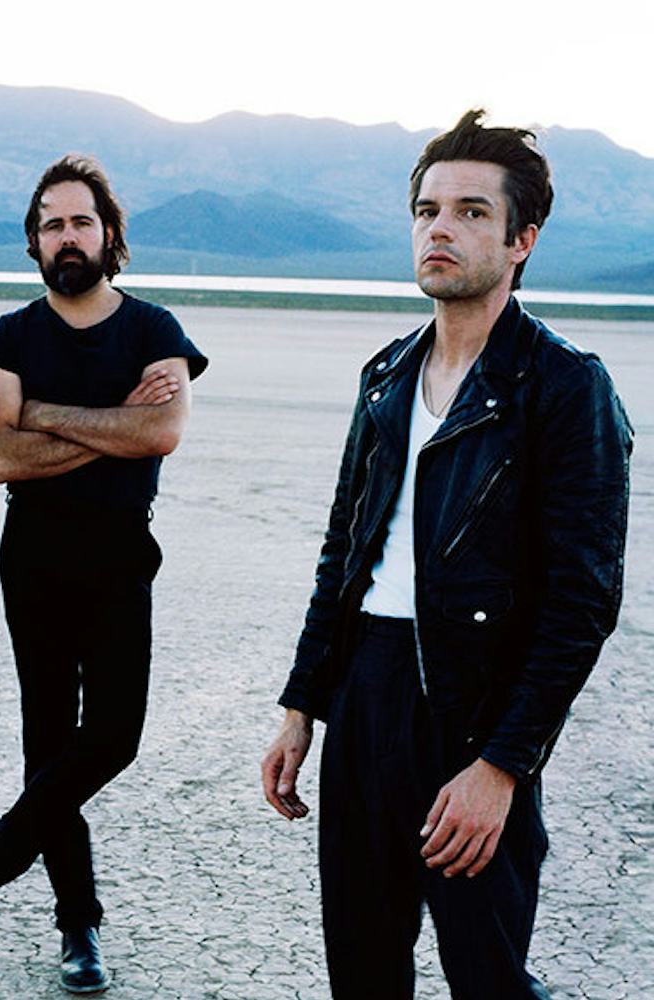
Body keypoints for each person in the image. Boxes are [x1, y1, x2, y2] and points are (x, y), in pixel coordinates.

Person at [260, 109, 632, 999]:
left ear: (520, 241)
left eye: (471, 211)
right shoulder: (386, 374)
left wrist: (503, 766)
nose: (440, 227)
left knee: (486, 975)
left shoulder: (564, 386)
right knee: (363, 968)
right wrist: (302, 705)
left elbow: (583, 600)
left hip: (475, 708)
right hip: (364, 695)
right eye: (428, 209)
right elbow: (344, 549)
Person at [0, 154, 207, 993]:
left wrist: (44, 415)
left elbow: (159, 437)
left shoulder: (156, 331)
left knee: (113, 737)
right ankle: (76, 926)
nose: (67, 236)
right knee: (49, 744)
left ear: (109, 233)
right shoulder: (10, 338)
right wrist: (108, 420)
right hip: (36, 562)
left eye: (81, 221)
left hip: (123, 556)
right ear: (34, 242)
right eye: (51, 223)